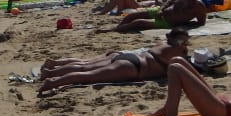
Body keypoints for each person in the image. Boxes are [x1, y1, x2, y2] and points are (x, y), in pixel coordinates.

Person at [38, 28, 190, 94]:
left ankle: (51, 72)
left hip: (129, 58)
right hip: (133, 67)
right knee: (88, 75)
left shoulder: (161, 43)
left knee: (85, 66)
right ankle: (53, 83)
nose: (184, 45)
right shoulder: (175, 50)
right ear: (177, 40)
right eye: (183, 42)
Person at [101, 0, 207, 33]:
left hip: (168, 22)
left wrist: (185, 23)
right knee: (133, 15)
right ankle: (119, 27)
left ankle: (113, 30)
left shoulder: (198, 6)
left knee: (138, 22)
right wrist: (161, 10)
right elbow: (169, 2)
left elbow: (201, 22)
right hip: (160, 12)